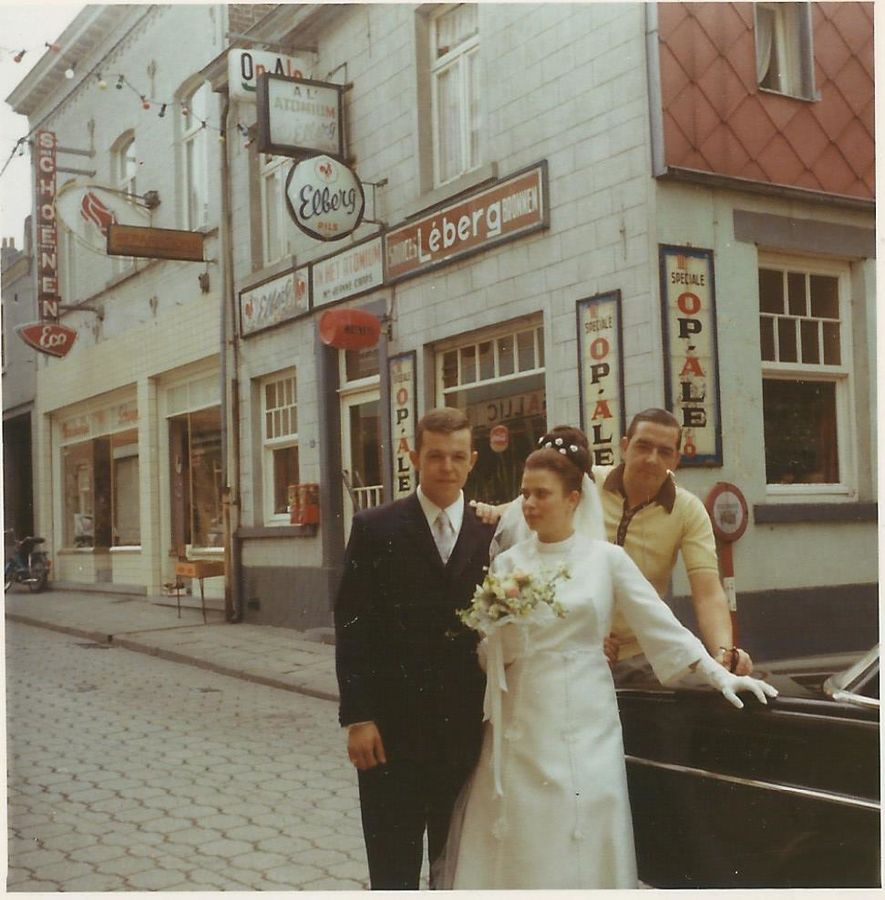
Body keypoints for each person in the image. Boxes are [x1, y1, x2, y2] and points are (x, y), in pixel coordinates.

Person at [437, 438, 776, 889]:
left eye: (542, 494)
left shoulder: (606, 561)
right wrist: (504, 634)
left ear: (573, 499)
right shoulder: (507, 564)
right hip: (524, 713)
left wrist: (718, 673)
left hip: (587, 713)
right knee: (524, 818)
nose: (530, 504)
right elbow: (488, 656)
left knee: (584, 815)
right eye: (525, 494)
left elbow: (662, 626)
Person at [333, 407, 495, 890]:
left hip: (465, 736)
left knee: (458, 869)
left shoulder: (492, 531)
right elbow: (353, 626)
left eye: (457, 457)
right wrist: (357, 717)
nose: (447, 467)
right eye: (436, 456)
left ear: (473, 460)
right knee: (393, 869)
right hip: (391, 734)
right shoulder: (375, 528)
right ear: (414, 457)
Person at [477, 413, 753, 676]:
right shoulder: (588, 481)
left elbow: (706, 591)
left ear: (676, 459)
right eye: (643, 446)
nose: (652, 459)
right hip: (576, 649)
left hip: (638, 654)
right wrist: (490, 511)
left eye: (665, 451)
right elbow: (532, 504)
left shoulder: (688, 509)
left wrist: (723, 652)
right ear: (624, 446)